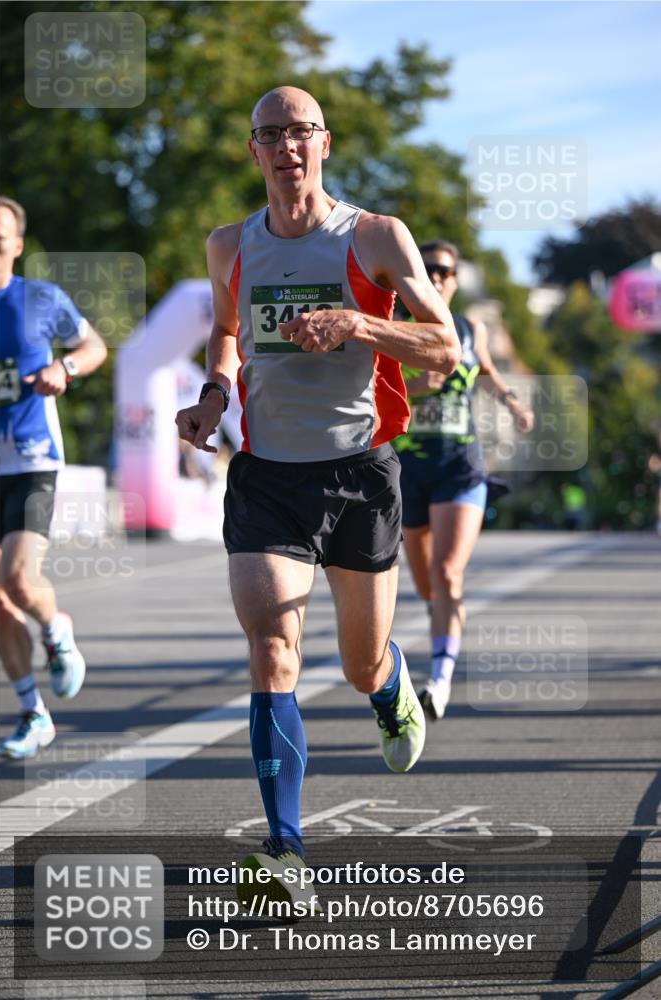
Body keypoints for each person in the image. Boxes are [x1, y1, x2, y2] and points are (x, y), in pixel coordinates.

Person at [175, 87, 460, 904]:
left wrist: (358, 325)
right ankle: (285, 849)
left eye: (300, 131)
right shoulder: (229, 245)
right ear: (253, 150)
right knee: (271, 647)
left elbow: (440, 347)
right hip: (267, 476)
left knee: (357, 658)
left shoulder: (373, 235)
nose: (286, 147)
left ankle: (388, 685)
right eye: (270, 134)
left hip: (359, 471)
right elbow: (226, 333)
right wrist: (213, 396)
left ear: (324, 143)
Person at [394, 240, 534, 721]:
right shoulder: (395, 328)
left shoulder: (469, 328)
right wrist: (414, 387)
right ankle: (445, 635)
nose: (435, 276)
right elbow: (365, 390)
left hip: (460, 465)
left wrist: (513, 403)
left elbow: (488, 373)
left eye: (445, 271)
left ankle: (439, 680)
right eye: (427, 268)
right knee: (427, 584)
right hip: (408, 471)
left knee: (448, 574)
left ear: (454, 280)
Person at [0, 196, 107, 759]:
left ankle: (55, 629)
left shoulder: (39, 299)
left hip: (32, 459)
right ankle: (32, 713)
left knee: (17, 580)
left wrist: (65, 368)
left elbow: (94, 346)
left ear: (16, 245)